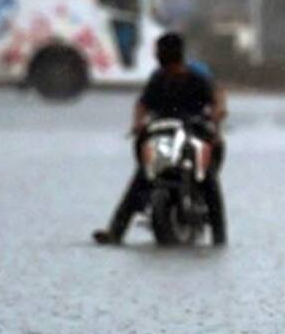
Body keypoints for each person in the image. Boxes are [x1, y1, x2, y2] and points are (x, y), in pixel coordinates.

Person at [92, 33, 227, 246]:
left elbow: (217, 98)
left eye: (160, 51)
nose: (158, 55)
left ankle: (220, 236)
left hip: (193, 133)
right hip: (162, 133)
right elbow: (142, 104)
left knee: (208, 180)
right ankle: (116, 232)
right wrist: (138, 124)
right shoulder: (158, 79)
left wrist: (217, 114)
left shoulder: (196, 78)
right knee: (142, 177)